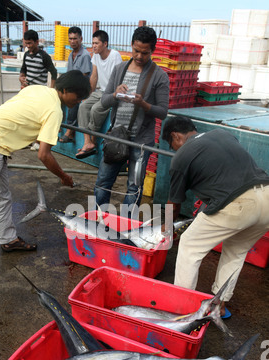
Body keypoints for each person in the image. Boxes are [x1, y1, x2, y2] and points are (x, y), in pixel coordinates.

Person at [0, 71, 91, 253]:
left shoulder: (39, 89)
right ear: (65, 90)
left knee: (1, 197)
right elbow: (44, 155)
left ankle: (8, 239)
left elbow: (21, 114)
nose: (79, 101)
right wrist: (64, 176)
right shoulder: (55, 111)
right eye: (78, 96)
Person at [162, 115, 269, 317]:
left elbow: (174, 203)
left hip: (238, 204)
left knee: (189, 245)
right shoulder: (222, 134)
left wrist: (167, 230)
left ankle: (182, 307)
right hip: (266, 197)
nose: (174, 149)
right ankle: (219, 305)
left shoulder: (182, 156)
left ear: (176, 136)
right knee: (235, 251)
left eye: (171, 144)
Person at [94, 26, 169, 213]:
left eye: (145, 52)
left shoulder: (160, 76)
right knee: (103, 182)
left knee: (134, 187)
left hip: (141, 142)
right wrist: (115, 94)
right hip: (116, 137)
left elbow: (162, 112)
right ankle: (100, 219)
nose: (139, 56)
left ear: (153, 50)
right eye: (136, 51)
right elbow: (104, 101)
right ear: (131, 45)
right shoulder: (119, 69)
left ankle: (126, 227)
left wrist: (143, 104)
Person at [76, 30, 122, 158]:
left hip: (112, 92)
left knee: (96, 109)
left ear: (105, 43)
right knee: (83, 106)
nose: (94, 46)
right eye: (93, 43)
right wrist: (88, 96)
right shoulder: (95, 55)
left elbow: (117, 79)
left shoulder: (115, 55)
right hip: (100, 91)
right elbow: (94, 76)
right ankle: (88, 142)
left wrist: (112, 96)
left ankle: (93, 141)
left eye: (96, 43)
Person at [20, 29, 58, 151]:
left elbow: (54, 72)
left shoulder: (44, 56)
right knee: (26, 116)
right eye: (26, 43)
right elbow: (23, 70)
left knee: (37, 118)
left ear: (36, 42)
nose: (28, 46)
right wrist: (21, 78)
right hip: (28, 90)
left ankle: (37, 141)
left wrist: (51, 90)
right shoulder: (26, 55)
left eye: (30, 43)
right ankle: (27, 140)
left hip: (39, 92)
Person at [59, 26, 92, 143]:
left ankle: (70, 131)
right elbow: (69, 75)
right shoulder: (70, 55)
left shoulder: (85, 55)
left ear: (81, 39)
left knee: (72, 101)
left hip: (81, 89)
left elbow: (83, 78)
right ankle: (58, 126)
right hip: (72, 87)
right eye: (70, 39)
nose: (72, 41)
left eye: (75, 39)